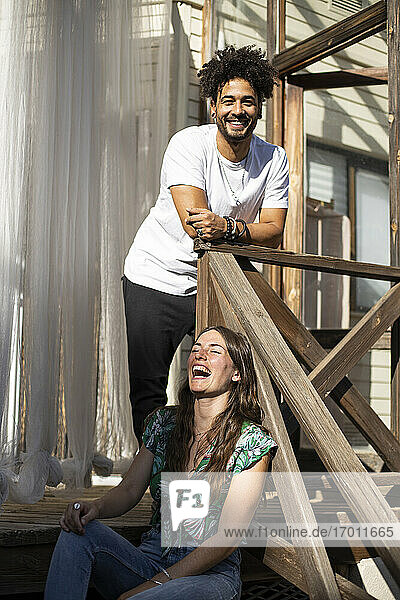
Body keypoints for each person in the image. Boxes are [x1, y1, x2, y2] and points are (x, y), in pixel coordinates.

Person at [123, 45, 289, 441]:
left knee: (225, 383)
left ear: (260, 108)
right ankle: (162, 489)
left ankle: (209, 477)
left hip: (216, 283)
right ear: (213, 106)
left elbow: (275, 231)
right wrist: (239, 228)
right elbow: (196, 223)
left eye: (248, 102)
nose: (238, 110)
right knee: (149, 390)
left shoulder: (274, 158)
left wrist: (228, 227)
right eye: (228, 100)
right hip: (155, 276)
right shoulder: (188, 144)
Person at [44, 326, 278, 600]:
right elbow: (130, 489)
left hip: (209, 575)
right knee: (79, 533)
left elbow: (227, 538)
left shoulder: (250, 441)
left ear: (237, 373)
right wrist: (94, 507)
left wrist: (156, 585)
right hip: (152, 558)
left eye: (214, 351)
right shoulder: (163, 423)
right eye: (196, 350)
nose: (200, 355)